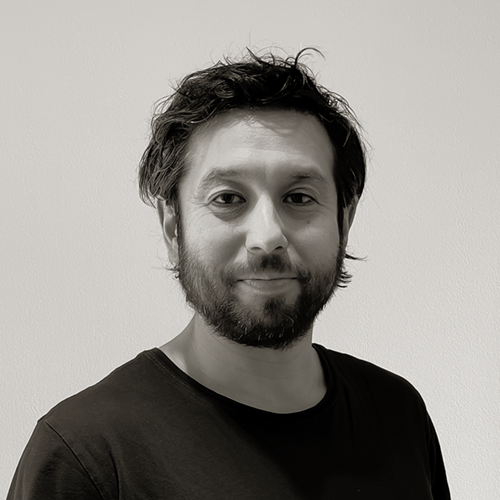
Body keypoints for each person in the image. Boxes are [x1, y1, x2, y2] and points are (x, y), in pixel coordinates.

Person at [8, 49, 451, 499]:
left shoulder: (398, 414)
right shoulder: (87, 457)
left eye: (299, 198)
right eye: (227, 199)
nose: (267, 236)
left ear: (345, 220)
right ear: (172, 225)